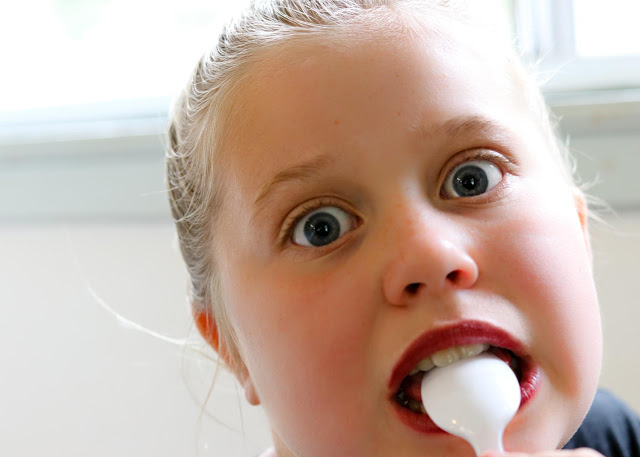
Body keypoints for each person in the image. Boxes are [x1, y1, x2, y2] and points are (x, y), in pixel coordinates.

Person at [165, 1, 640, 456]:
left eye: (471, 179)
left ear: (580, 234)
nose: (429, 254)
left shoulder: (613, 436)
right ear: (231, 347)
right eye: (321, 227)